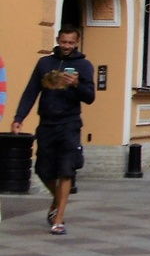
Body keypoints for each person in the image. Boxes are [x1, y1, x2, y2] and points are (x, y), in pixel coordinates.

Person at [10, 26, 95, 235]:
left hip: (70, 124)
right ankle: (58, 200)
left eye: (70, 43)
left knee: (66, 170)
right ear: (58, 40)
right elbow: (31, 91)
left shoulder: (83, 65)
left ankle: (58, 219)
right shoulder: (44, 63)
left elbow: (90, 97)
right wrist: (19, 118)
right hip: (47, 124)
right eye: (63, 42)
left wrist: (76, 84)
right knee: (43, 170)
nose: (66, 46)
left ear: (77, 43)